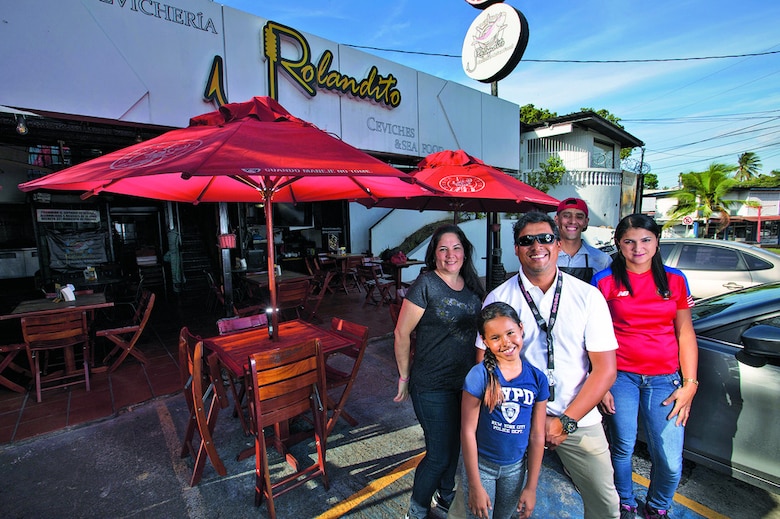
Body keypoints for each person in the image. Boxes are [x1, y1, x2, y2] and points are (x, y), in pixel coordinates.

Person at [449, 211, 620, 519]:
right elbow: (485, 362)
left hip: (575, 415)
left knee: (605, 504)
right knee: (472, 506)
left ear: (558, 244)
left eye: (545, 238)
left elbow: (605, 370)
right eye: (527, 240)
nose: (537, 246)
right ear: (516, 249)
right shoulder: (499, 297)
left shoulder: (587, 296)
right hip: (512, 415)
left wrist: (565, 422)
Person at [592, 214, 697, 519]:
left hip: (665, 379)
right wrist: (600, 384)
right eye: (629, 241)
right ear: (618, 244)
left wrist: (690, 384)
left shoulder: (675, 279)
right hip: (620, 377)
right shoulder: (604, 281)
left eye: (645, 240)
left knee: (669, 458)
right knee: (622, 447)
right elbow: (593, 336)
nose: (638, 248)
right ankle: (624, 501)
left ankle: (658, 506)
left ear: (657, 242)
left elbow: (685, 333)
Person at [394, 223, 486, 519]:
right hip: (431, 384)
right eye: (443, 249)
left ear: (465, 252)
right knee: (439, 454)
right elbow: (401, 334)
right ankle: (417, 510)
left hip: (466, 385)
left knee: (455, 447)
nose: (450, 255)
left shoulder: (472, 285)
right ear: (434, 254)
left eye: (456, 248)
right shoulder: (426, 284)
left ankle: (446, 497)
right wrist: (404, 377)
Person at [461, 302, 548, 519]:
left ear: (521, 328)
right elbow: (467, 431)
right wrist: (475, 485)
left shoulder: (537, 378)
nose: (506, 342)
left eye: (510, 333)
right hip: (481, 468)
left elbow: (537, 435)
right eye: (495, 337)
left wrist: (531, 487)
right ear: (484, 341)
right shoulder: (478, 376)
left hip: (515, 470)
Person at [554, 197, 612, 283]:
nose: (573, 221)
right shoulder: (545, 256)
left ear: (586, 222)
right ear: (557, 219)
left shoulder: (603, 260)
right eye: (566, 216)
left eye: (579, 217)